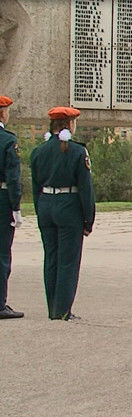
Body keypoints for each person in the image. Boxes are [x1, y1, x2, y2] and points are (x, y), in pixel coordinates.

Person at [30, 106, 95, 320]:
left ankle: (53, 308)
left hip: (46, 206)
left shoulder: (38, 151)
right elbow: (85, 188)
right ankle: (63, 310)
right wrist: (88, 219)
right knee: (68, 261)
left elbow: (35, 187)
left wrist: (40, 211)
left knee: (51, 259)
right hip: (68, 207)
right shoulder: (77, 151)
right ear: (70, 125)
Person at [0, 95, 23, 319]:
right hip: (2, 200)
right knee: (1, 254)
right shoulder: (7, 140)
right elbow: (13, 178)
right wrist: (16, 207)